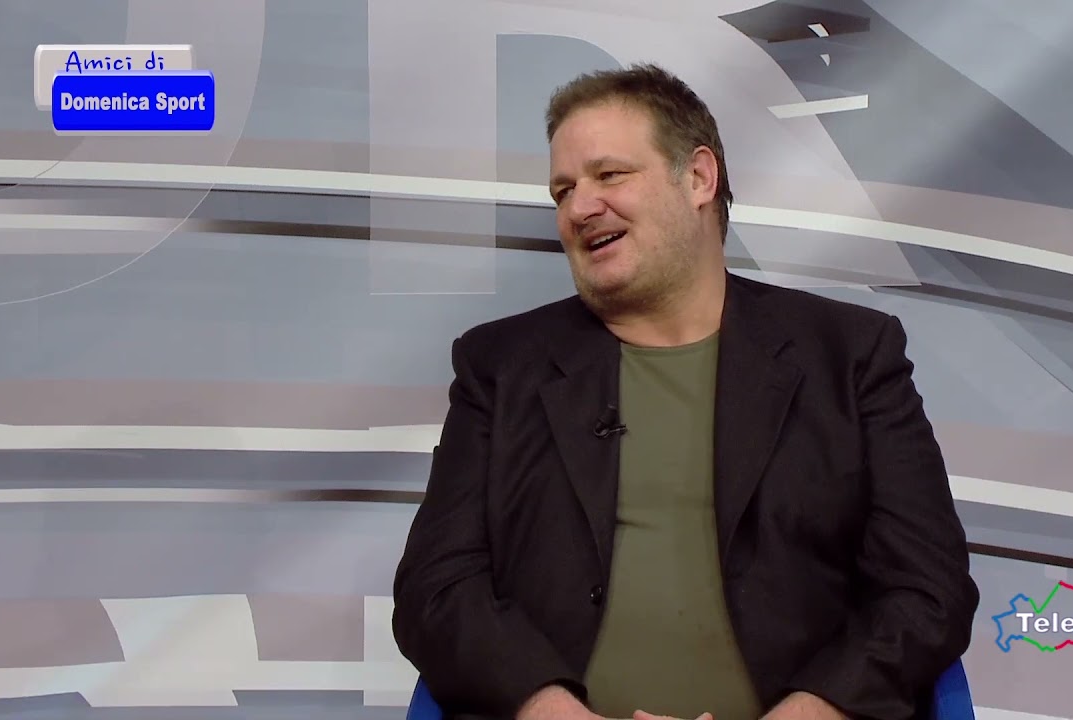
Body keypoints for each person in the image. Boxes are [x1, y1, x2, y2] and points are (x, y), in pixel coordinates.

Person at [392, 63, 979, 720]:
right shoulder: (501, 366)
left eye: (609, 175)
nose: (580, 208)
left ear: (699, 177)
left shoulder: (850, 355)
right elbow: (436, 589)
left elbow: (927, 589)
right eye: (563, 191)